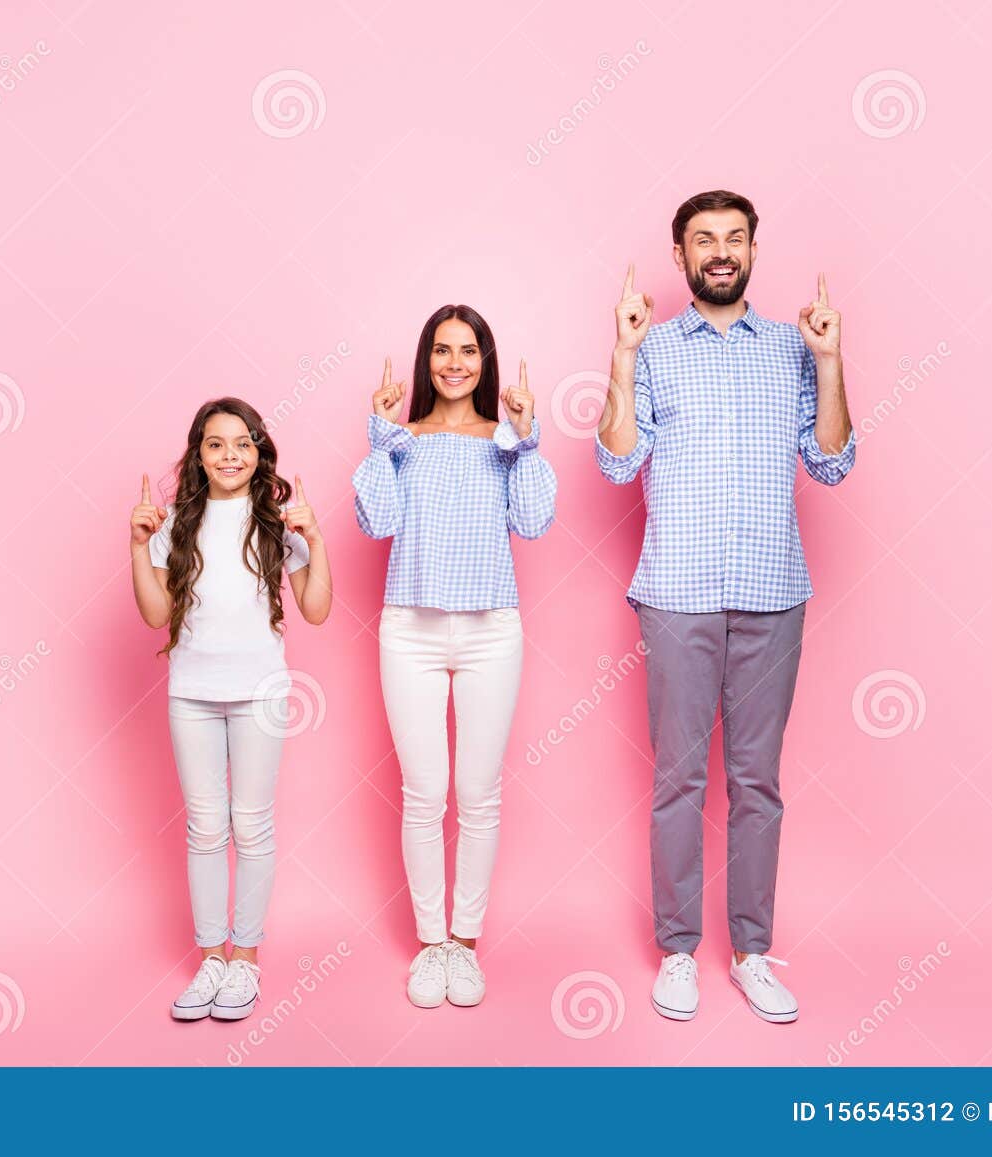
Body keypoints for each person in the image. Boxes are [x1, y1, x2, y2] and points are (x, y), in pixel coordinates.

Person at [595, 190, 856, 1024]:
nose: (719, 251)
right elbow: (613, 462)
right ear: (680, 256)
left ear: (751, 250)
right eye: (703, 239)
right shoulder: (656, 350)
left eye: (733, 238)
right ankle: (678, 951)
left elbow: (832, 463)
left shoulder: (791, 347)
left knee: (757, 783)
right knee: (677, 779)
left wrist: (830, 361)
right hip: (678, 594)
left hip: (773, 594)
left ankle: (750, 951)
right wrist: (624, 358)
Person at [353, 305, 556, 1008]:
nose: (454, 363)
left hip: (489, 631)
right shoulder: (402, 441)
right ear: (425, 360)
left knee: (477, 792)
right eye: (442, 350)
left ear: (485, 360)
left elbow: (532, 521)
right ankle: (431, 942)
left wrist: (528, 438)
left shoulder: (505, 444)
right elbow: (376, 520)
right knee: (423, 792)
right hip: (409, 628)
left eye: (468, 350)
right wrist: (379, 440)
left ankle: (464, 944)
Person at [129, 396, 332, 1022]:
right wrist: (138, 545)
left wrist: (315, 537)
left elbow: (317, 608)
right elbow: (156, 614)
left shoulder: (274, 521)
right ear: (198, 454)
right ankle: (211, 957)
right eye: (215, 444)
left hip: (262, 693)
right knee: (205, 827)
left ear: (259, 452)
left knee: (253, 825)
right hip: (191, 692)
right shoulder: (177, 524)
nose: (230, 455)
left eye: (242, 444)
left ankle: (244, 959)